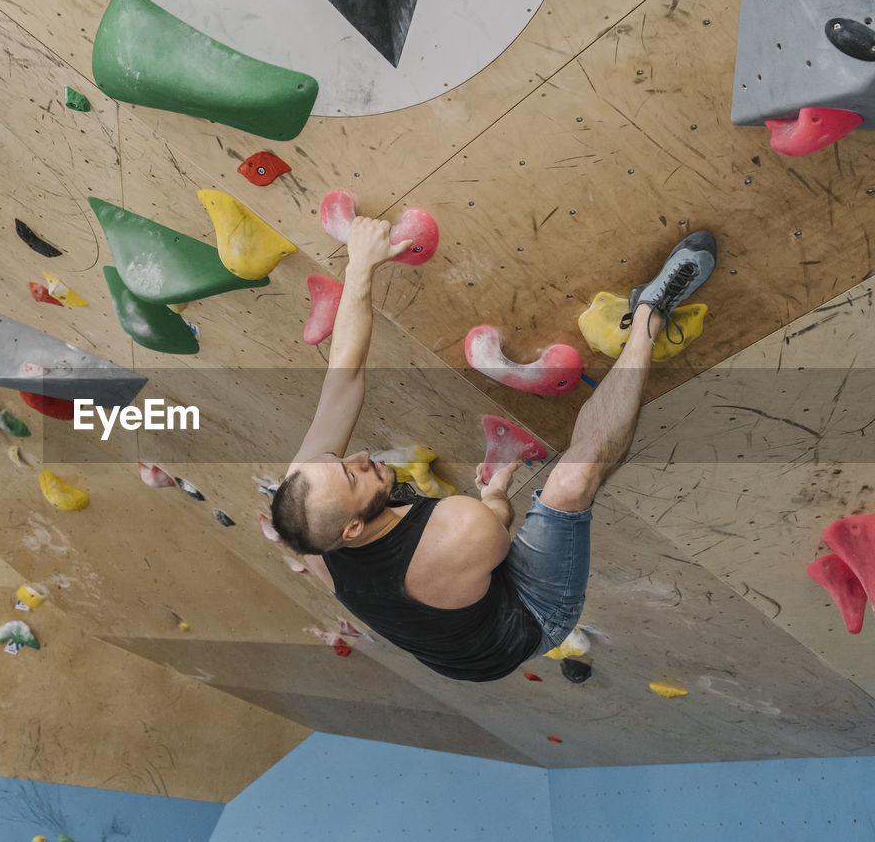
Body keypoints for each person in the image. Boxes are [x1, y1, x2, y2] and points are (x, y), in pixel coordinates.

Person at [271, 216, 716, 681]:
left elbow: (344, 372)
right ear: (353, 528)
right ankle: (651, 313)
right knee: (571, 483)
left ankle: (464, 575)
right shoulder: (458, 532)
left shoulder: (306, 507)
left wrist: (360, 264)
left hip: (454, 604)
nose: (358, 457)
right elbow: (494, 524)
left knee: (458, 539)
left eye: (338, 460)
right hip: (526, 618)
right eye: (352, 476)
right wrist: (494, 498)